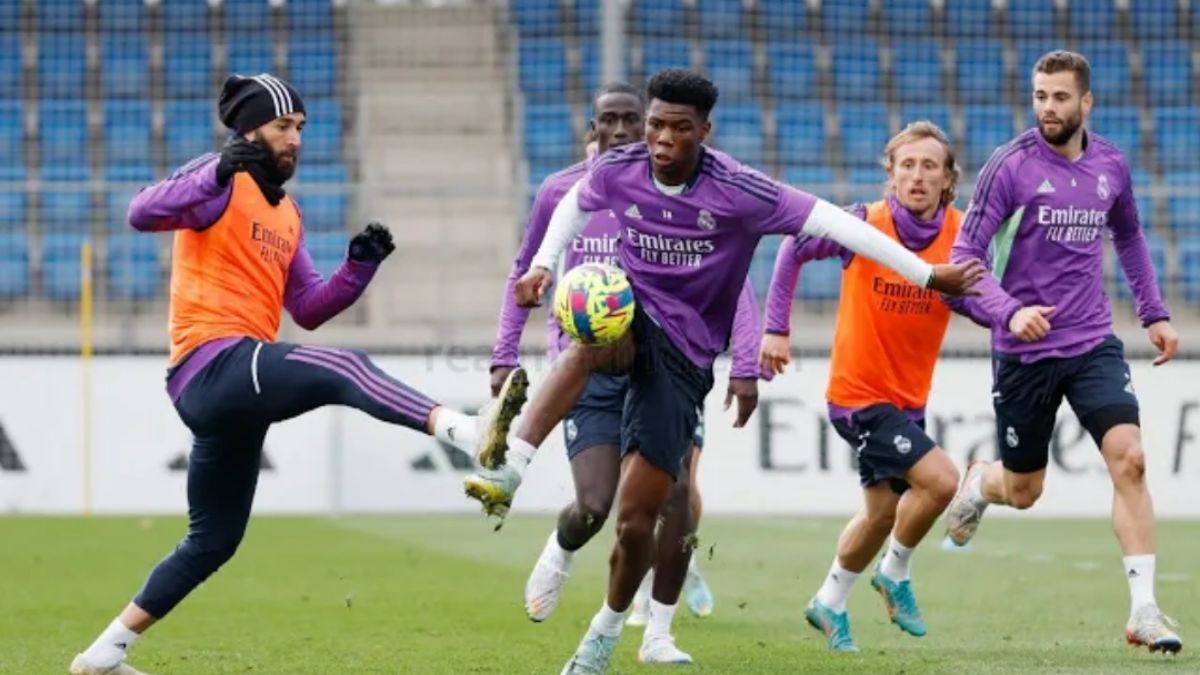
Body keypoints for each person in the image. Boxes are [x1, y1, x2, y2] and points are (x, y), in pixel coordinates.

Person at [467, 69, 984, 674]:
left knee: (637, 521)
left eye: (678, 129)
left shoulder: (740, 190)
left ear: (703, 133)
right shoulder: (617, 169)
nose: (661, 139)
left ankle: (605, 634)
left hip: (683, 359)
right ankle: (512, 465)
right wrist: (547, 267)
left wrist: (928, 274)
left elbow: (840, 225)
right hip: (631, 318)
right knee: (588, 338)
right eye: (656, 124)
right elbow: (576, 206)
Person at [68, 74, 528, 675]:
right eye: (284, 127)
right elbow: (139, 212)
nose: (295, 139)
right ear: (250, 129)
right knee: (344, 367)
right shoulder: (218, 179)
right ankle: (469, 433)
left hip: (235, 383)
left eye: (301, 129)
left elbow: (308, 307)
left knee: (213, 542)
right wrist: (213, 171)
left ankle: (104, 652)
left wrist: (359, 268)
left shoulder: (287, 214)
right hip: (211, 364)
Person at [489, 82, 759, 664]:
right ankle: (561, 550)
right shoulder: (562, 192)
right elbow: (525, 272)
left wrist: (747, 358)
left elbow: (729, 279)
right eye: (606, 120)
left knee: (679, 499)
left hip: (666, 362)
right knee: (594, 505)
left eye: (629, 120)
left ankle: (658, 630)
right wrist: (504, 355)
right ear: (592, 127)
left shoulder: (679, 192)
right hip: (590, 365)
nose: (618, 131)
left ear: (649, 126)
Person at [944, 50, 1182, 653]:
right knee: (1024, 492)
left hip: (1092, 339)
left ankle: (1145, 610)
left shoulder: (1111, 165)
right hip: (1023, 351)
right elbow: (965, 262)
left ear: (1086, 103)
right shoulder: (1011, 166)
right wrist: (1010, 312)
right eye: (1040, 96)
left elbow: (1128, 233)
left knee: (1130, 459)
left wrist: (1153, 313)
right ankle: (980, 482)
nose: (1048, 108)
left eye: (1059, 97)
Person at [760, 121, 990, 652]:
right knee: (941, 481)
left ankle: (829, 601)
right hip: (859, 397)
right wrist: (775, 328)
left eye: (929, 166)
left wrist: (1007, 318)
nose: (917, 175)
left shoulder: (961, 235)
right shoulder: (866, 222)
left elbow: (976, 302)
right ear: (891, 173)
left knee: (881, 513)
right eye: (906, 165)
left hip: (909, 399)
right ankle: (896, 572)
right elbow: (792, 250)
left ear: (948, 179)